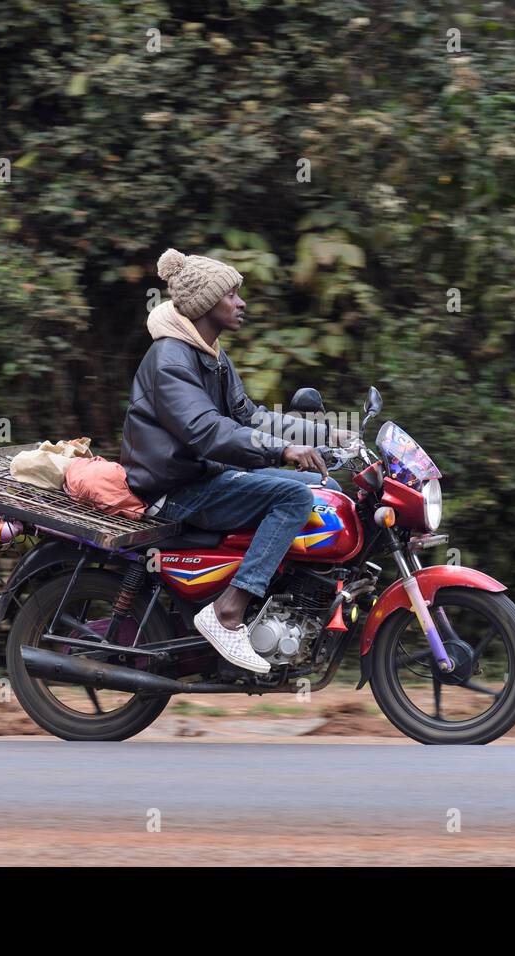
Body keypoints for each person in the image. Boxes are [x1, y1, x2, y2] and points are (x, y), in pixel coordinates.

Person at [120, 248, 343, 674]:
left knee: (325, 490)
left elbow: (250, 416)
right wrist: (283, 451)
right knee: (294, 498)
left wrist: (327, 434)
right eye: (232, 295)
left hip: (204, 477)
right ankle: (227, 612)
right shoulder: (171, 359)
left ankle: (283, 604)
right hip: (174, 489)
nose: (241, 303)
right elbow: (205, 430)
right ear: (206, 304)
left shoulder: (210, 355)